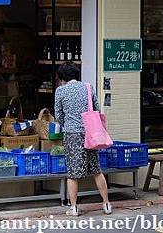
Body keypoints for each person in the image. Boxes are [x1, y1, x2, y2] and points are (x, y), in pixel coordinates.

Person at [54, 62, 111, 216]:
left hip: (72, 134)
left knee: (72, 173)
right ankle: (106, 204)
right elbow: (97, 108)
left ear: (63, 77)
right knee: (96, 169)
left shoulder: (60, 91)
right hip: (90, 133)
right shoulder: (88, 87)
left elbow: (59, 116)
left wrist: (68, 123)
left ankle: (74, 208)